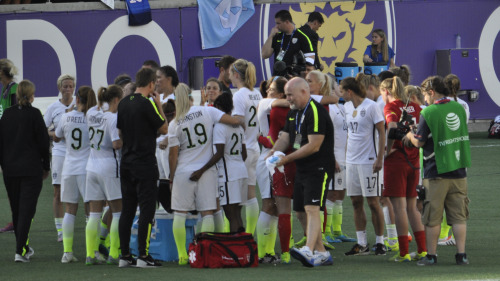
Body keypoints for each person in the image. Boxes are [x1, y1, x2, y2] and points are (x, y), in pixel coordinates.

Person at [168, 84, 243, 265]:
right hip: (207, 170)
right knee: (208, 213)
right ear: (191, 95)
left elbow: (173, 154)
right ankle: (206, 250)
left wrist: (172, 176)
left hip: (184, 171)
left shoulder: (175, 122)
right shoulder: (207, 111)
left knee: (180, 213)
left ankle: (182, 256)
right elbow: (234, 122)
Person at [405, 75, 471, 266]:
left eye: (425, 94)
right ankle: (461, 255)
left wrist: (410, 133)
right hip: (459, 169)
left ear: (431, 92)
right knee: (459, 217)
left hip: (436, 171)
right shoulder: (459, 107)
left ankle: (432, 256)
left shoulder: (429, 112)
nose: (424, 98)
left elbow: (419, 141)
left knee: (432, 217)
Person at [271, 77, 334, 267]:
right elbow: (286, 137)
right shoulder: (294, 112)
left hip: (319, 167)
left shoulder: (315, 111)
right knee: (299, 211)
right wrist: (273, 152)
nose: (287, 98)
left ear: (304, 92)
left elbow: (314, 146)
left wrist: (287, 159)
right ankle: (322, 252)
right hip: (303, 167)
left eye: (290, 95)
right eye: (287, 95)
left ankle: (308, 248)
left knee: (312, 208)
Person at [117, 67, 168, 268]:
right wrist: (159, 105)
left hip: (126, 162)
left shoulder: (123, 103)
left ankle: (124, 255)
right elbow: (164, 127)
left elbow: (121, 132)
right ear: (151, 84)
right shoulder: (148, 104)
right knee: (147, 210)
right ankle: (143, 256)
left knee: (127, 210)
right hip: (145, 163)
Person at [0, 80, 50, 262]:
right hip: (31, 169)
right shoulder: (35, 114)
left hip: (10, 169)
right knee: (27, 210)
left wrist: (3, 165)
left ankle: (22, 247)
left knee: (16, 209)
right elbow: (44, 143)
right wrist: (46, 165)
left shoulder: (6, 114)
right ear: (30, 95)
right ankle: (19, 251)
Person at [380, 77, 427, 262]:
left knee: (399, 208)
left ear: (386, 91)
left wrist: (388, 148)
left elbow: (392, 128)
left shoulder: (390, 107)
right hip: (414, 161)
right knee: (412, 207)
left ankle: (403, 252)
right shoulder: (414, 106)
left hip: (397, 162)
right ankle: (422, 249)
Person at [341, 77, 387, 257]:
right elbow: (350, 134)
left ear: (349, 92)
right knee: (355, 201)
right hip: (351, 161)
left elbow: (382, 132)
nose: (340, 93)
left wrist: (380, 158)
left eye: (341, 90)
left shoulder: (371, 106)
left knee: (373, 202)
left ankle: (380, 242)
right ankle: (361, 244)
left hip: (369, 161)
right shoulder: (346, 107)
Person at [54, 86, 96, 264]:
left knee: (70, 211)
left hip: (68, 167)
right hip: (86, 168)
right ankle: (91, 252)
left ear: (77, 99)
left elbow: (56, 137)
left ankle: (67, 253)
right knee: (90, 212)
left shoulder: (65, 116)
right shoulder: (92, 118)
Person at [85, 85, 124, 265]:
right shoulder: (113, 117)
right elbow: (116, 144)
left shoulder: (91, 112)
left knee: (94, 214)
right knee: (117, 212)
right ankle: (113, 254)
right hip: (109, 166)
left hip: (91, 166)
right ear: (116, 99)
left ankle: (89, 254)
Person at [229, 59, 262, 236]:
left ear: (235, 75)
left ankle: (238, 233)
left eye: (229, 73)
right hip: (254, 147)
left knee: (235, 196)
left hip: (244, 149)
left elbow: (239, 120)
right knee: (250, 193)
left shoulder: (239, 95)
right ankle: (249, 234)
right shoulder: (257, 93)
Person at [44, 74, 76, 242]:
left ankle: (86, 224)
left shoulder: (79, 104)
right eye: (65, 86)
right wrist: (55, 134)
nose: (68, 89)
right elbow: (43, 129)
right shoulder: (53, 108)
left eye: (71, 86)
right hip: (59, 152)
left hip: (77, 153)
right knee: (58, 192)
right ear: (59, 88)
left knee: (81, 191)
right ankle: (60, 230)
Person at [212, 92, 248, 232]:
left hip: (228, 175)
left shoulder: (220, 127)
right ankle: (242, 247)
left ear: (219, 107)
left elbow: (219, 154)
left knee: (231, 215)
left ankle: (235, 249)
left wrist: (201, 169)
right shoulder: (239, 127)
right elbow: (244, 154)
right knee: (238, 214)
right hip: (241, 171)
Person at [0, 58, 18, 233]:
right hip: (6, 142)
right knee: (9, 183)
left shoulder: (13, 89)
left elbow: (15, 116)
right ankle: (15, 219)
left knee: (14, 183)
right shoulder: (5, 90)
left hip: (13, 144)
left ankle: (19, 219)